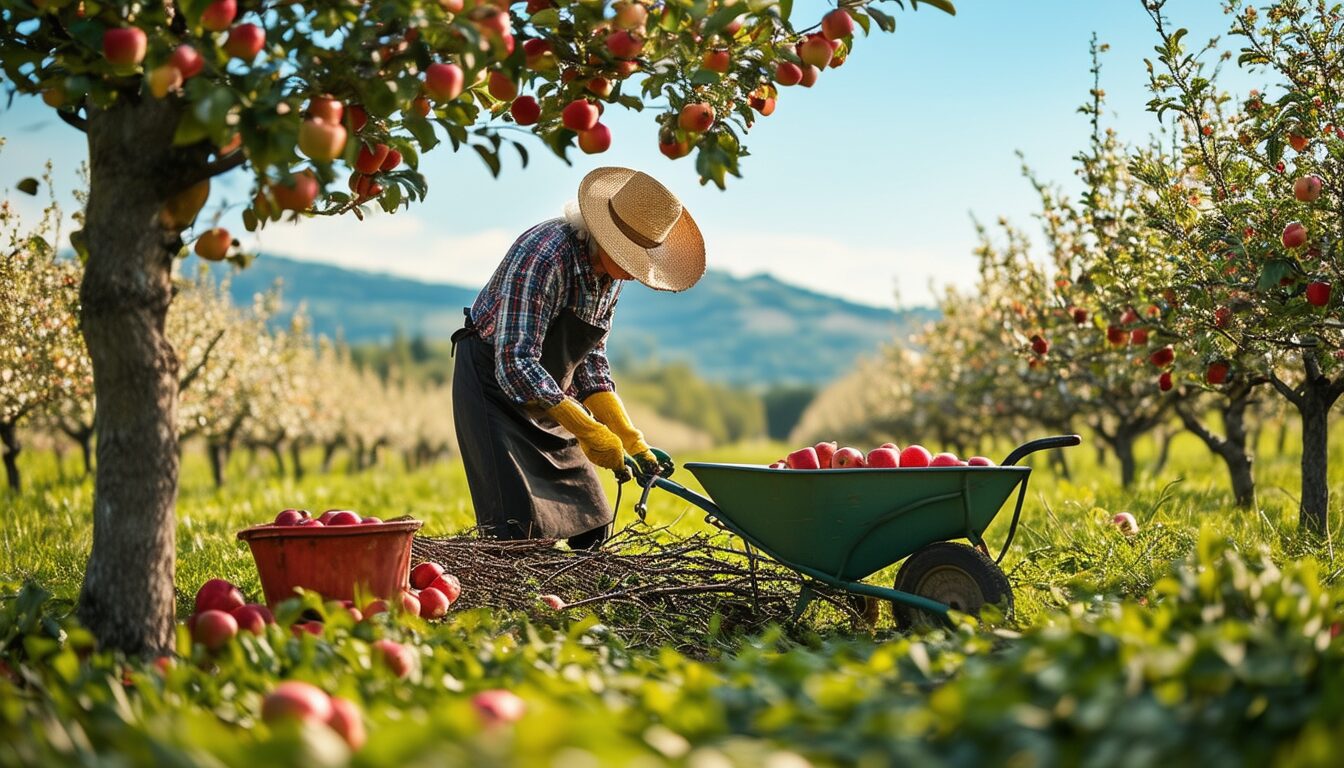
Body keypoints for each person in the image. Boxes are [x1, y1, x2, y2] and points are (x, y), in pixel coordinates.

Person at [451, 167, 705, 549]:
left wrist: (631, 439)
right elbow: (516, 362)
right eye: (632, 258)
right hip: (494, 388)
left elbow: (590, 361)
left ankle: (572, 600)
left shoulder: (610, 277)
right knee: (516, 532)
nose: (638, 273)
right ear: (605, 237)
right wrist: (586, 430)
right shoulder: (544, 255)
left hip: (550, 397)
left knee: (593, 524)